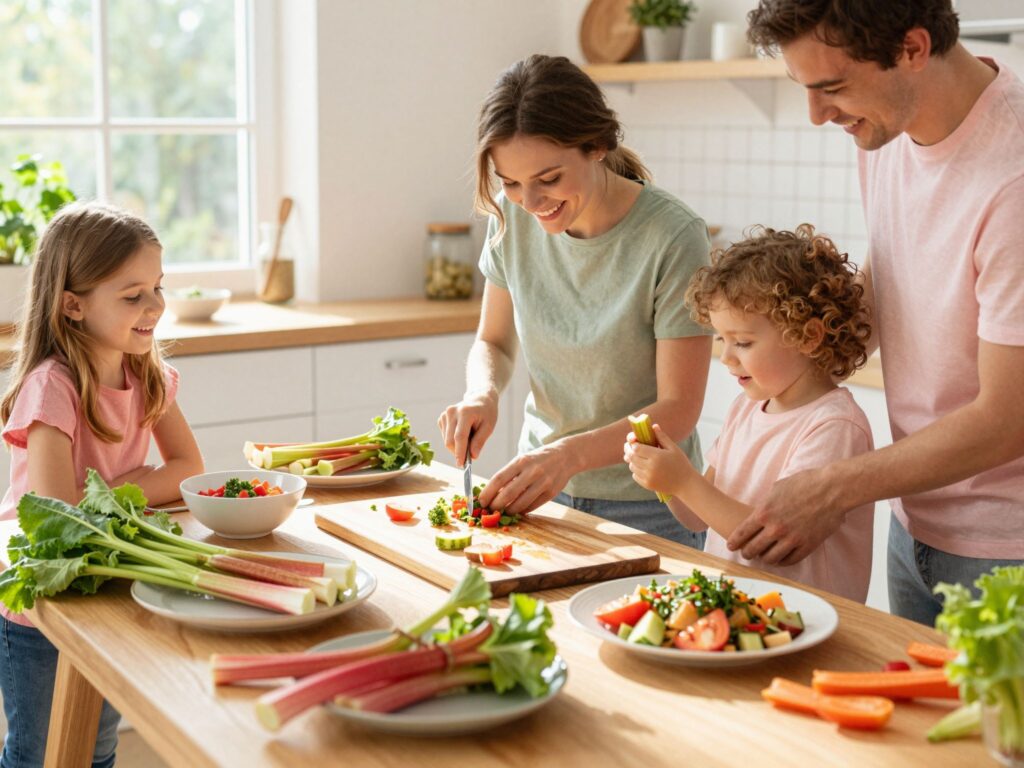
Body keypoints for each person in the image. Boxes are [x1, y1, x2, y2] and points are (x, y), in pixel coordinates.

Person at [731, 0, 1024, 624]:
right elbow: (894, 272)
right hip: (913, 521)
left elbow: (1007, 418)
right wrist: (779, 362)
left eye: (832, 88)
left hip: (1006, 554)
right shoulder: (885, 129)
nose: (817, 115)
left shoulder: (1014, 180)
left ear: (913, 49)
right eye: (805, 89)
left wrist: (832, 486)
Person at [437, 54, 712, 546]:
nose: (531, 201)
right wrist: (482, 392)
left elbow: (678, 408)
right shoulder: (511, 218)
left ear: (597, 146)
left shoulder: (673, 236)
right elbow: (494, 342)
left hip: (650, 505)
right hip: (541, 493)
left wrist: (568, 456)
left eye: (549, 178)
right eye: (512, 182)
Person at [0, 201, 203, 767]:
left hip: (104, 586)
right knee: (39, 754)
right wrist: (138, 482)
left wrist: (117, 491)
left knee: (96, 747)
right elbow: (59, 512)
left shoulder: (146, 373)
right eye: (132, 294)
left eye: (158, 287)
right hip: (43, 604)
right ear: (73, 305)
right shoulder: (52, 387)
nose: (155, 306)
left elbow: (188, 467)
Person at [625, 225, 875, 601]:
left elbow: (769, 540)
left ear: (808, 336)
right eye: (721, 339)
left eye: (742, 342)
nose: (725, 357)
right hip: (742, 613)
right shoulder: (745, 408)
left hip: (803, 620)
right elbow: (698, 518)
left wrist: (683, 482)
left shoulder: (833, 425)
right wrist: (667, 480)